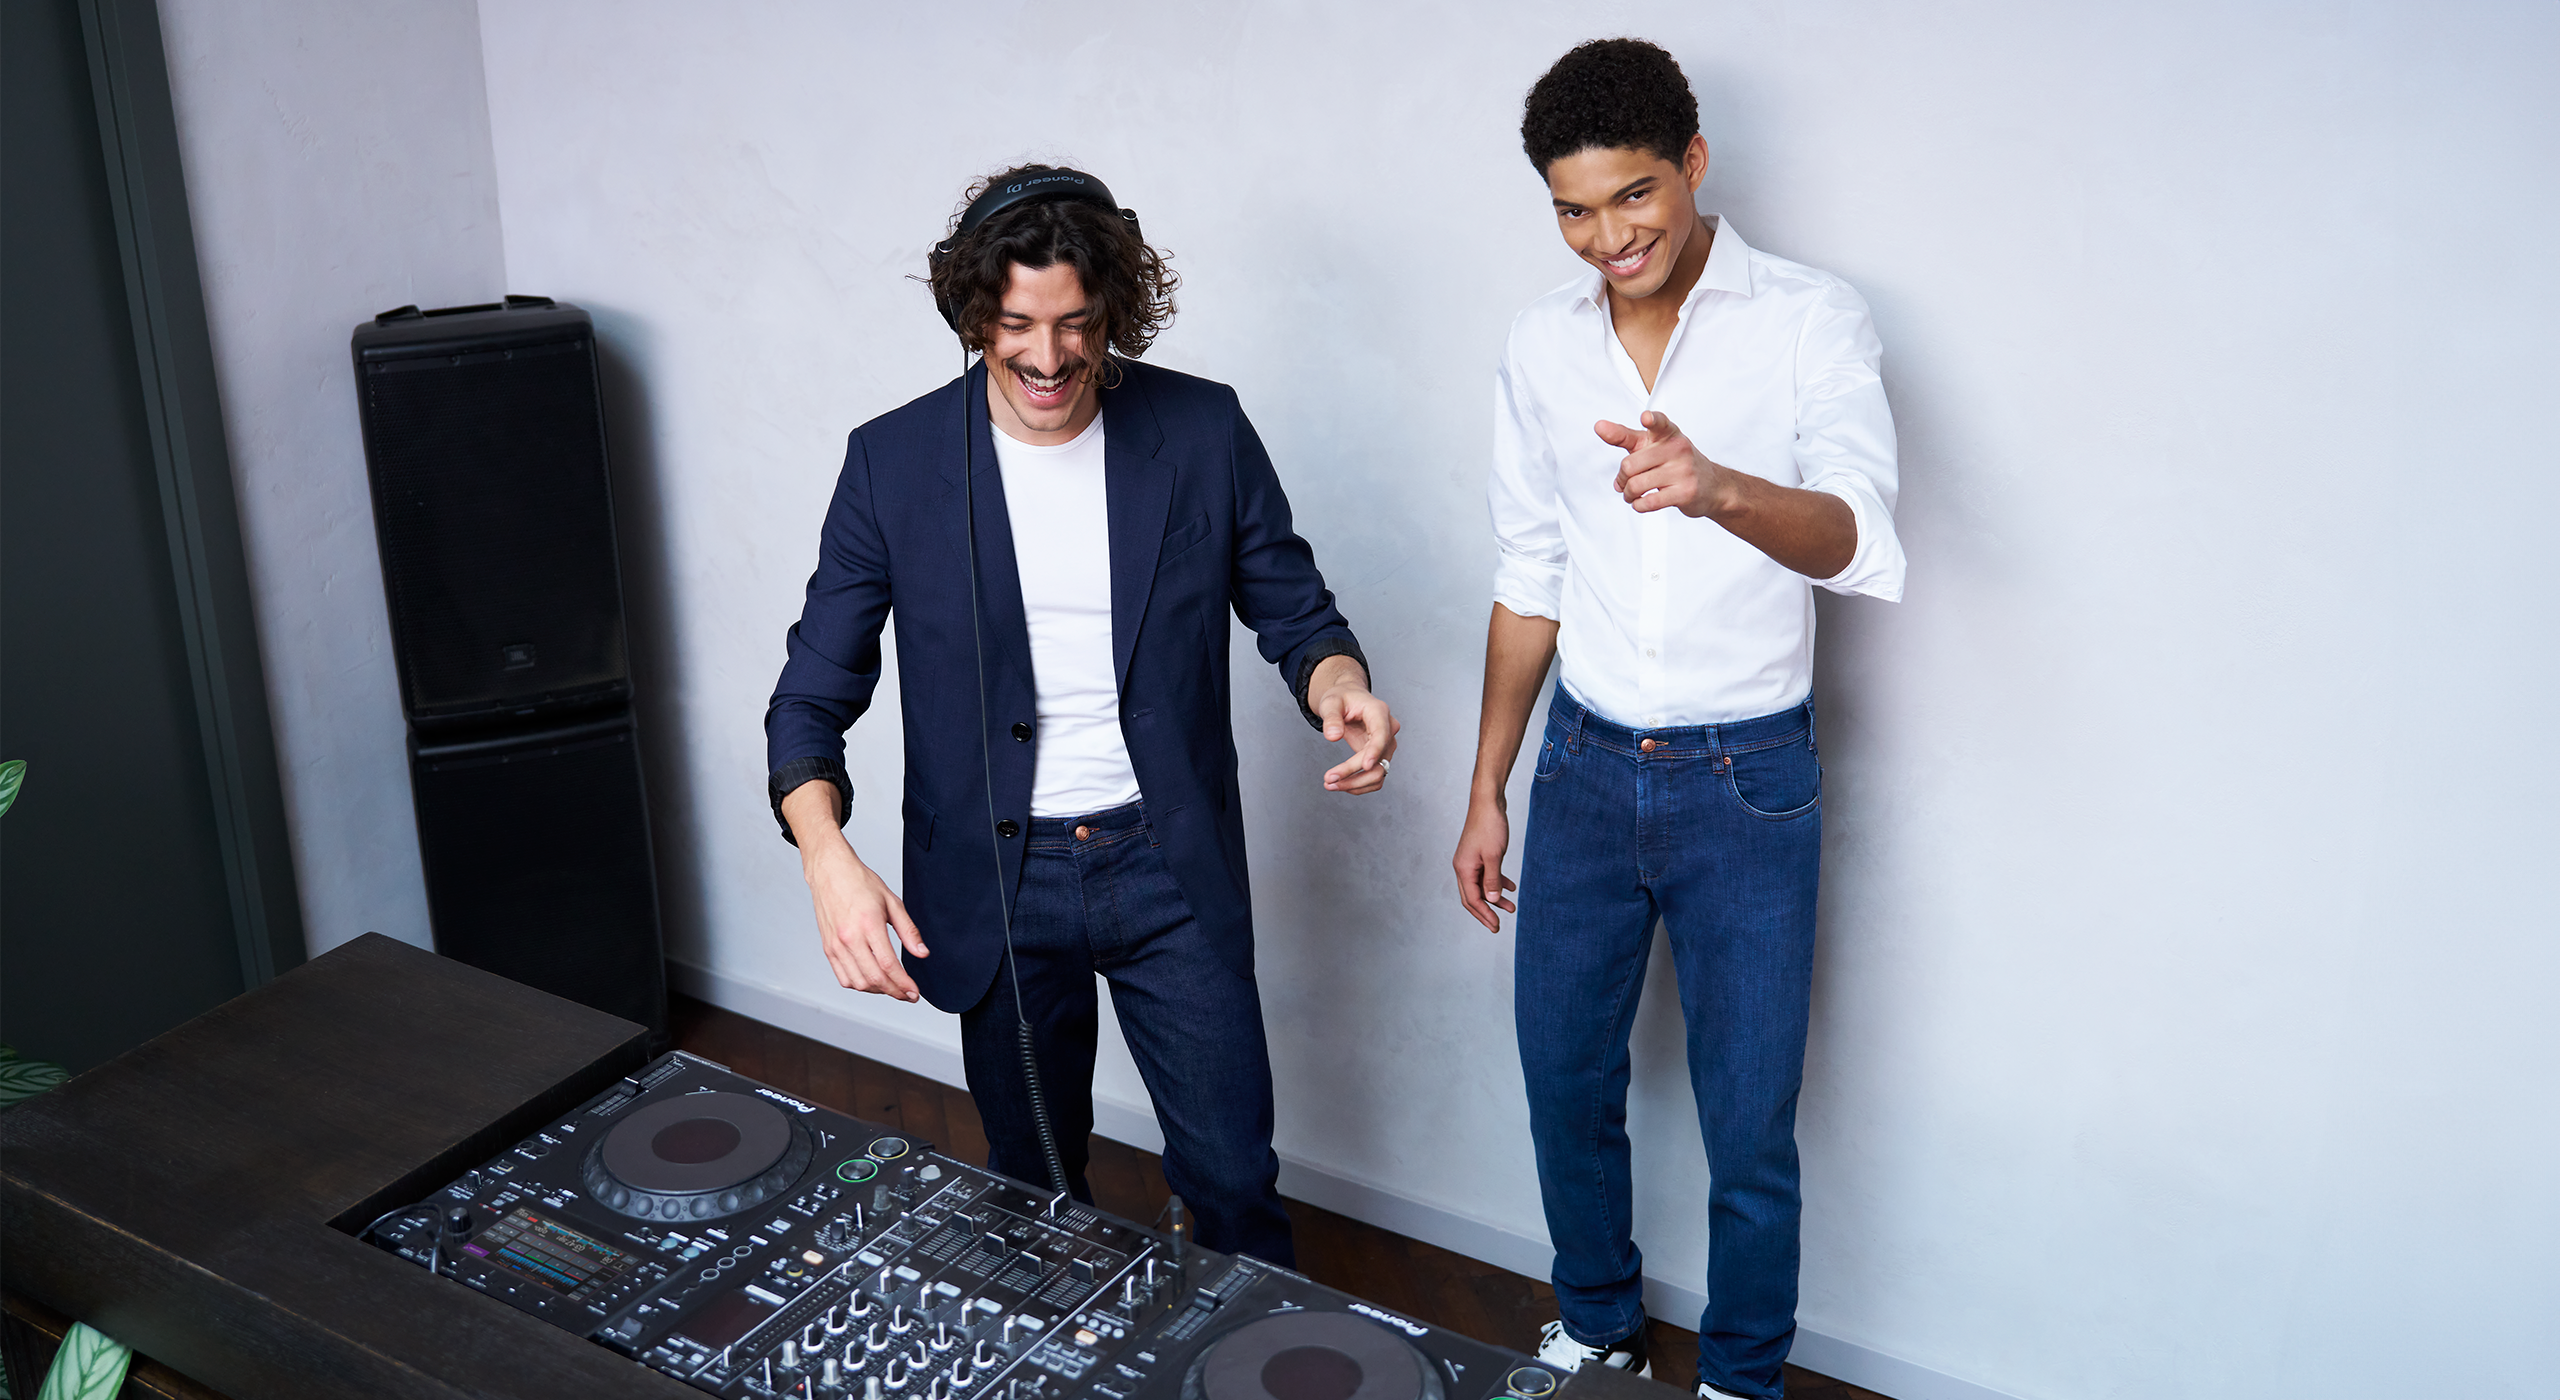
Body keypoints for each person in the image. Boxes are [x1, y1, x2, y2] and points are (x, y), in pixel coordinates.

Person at [766, 165, 1397, 1267]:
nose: (1049, 359)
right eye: (1015, 325)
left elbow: (1297, 612)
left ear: (1113, 309)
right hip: (998, 886)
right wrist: (826, 852)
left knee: (1236, 1183)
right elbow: (812, 692)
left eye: (1076, 325)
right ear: (971, 313)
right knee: (1036, 1189)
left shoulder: (1201, 428)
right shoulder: (893, 461)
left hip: (1168, 864)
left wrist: (1337, 683)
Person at [1450, 41, 1906, 1400]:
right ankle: (1595, 1327)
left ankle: (1739, 1380)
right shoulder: (1541, 343)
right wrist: (1490, 785)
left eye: (1634, 197)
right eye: (1575, 210)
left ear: (1694, 164)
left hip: (1748, 781)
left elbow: (1862, 538)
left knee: (1749, 1123)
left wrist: (1716, 489)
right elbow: (1528, 576)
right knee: (1565, 1084)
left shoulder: (1812, 319)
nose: (1610, 237)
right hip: (1584, 768)